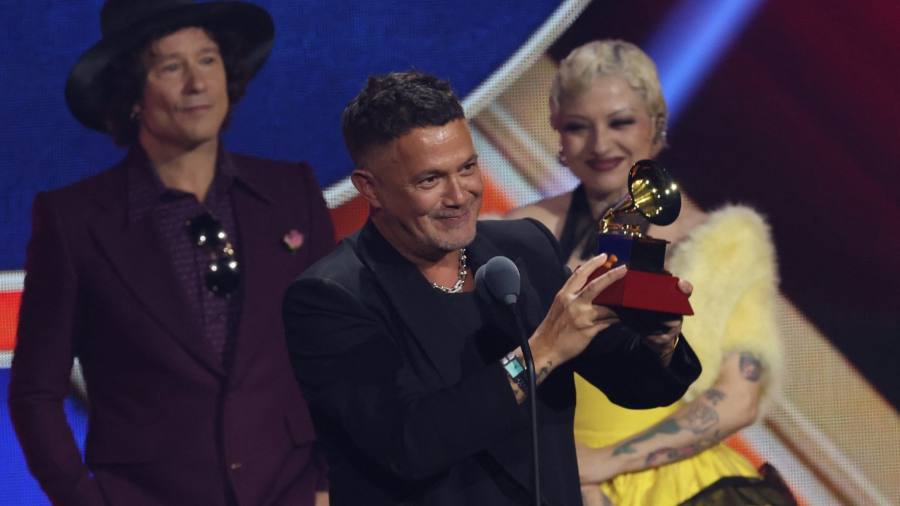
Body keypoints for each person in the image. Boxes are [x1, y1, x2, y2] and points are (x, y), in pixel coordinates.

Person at [282, 70, 702, 506]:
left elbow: (636, 384)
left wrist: (660, 341)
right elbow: (409, 445)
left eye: (467, 168)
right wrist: (542, 352)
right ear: (371, 189)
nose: (459, 194)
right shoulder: (329, 298)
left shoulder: (524, 248)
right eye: (430, 180)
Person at [8, 2, 333, 505]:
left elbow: (334, 354)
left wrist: (328, 483)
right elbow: (35, 393)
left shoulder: (292, 192)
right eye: (170, 67)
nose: (197, 83)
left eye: (207, 60)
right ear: (132, 94)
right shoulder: (74, 222)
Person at [507, 40, 785, 505]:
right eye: (579, 126)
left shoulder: (726, 243)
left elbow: (739, 398)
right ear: (558, 132)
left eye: (620, 122)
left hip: (684, 490)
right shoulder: (510, 234)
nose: (600, 145)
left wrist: (601, 463)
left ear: (655, 125)